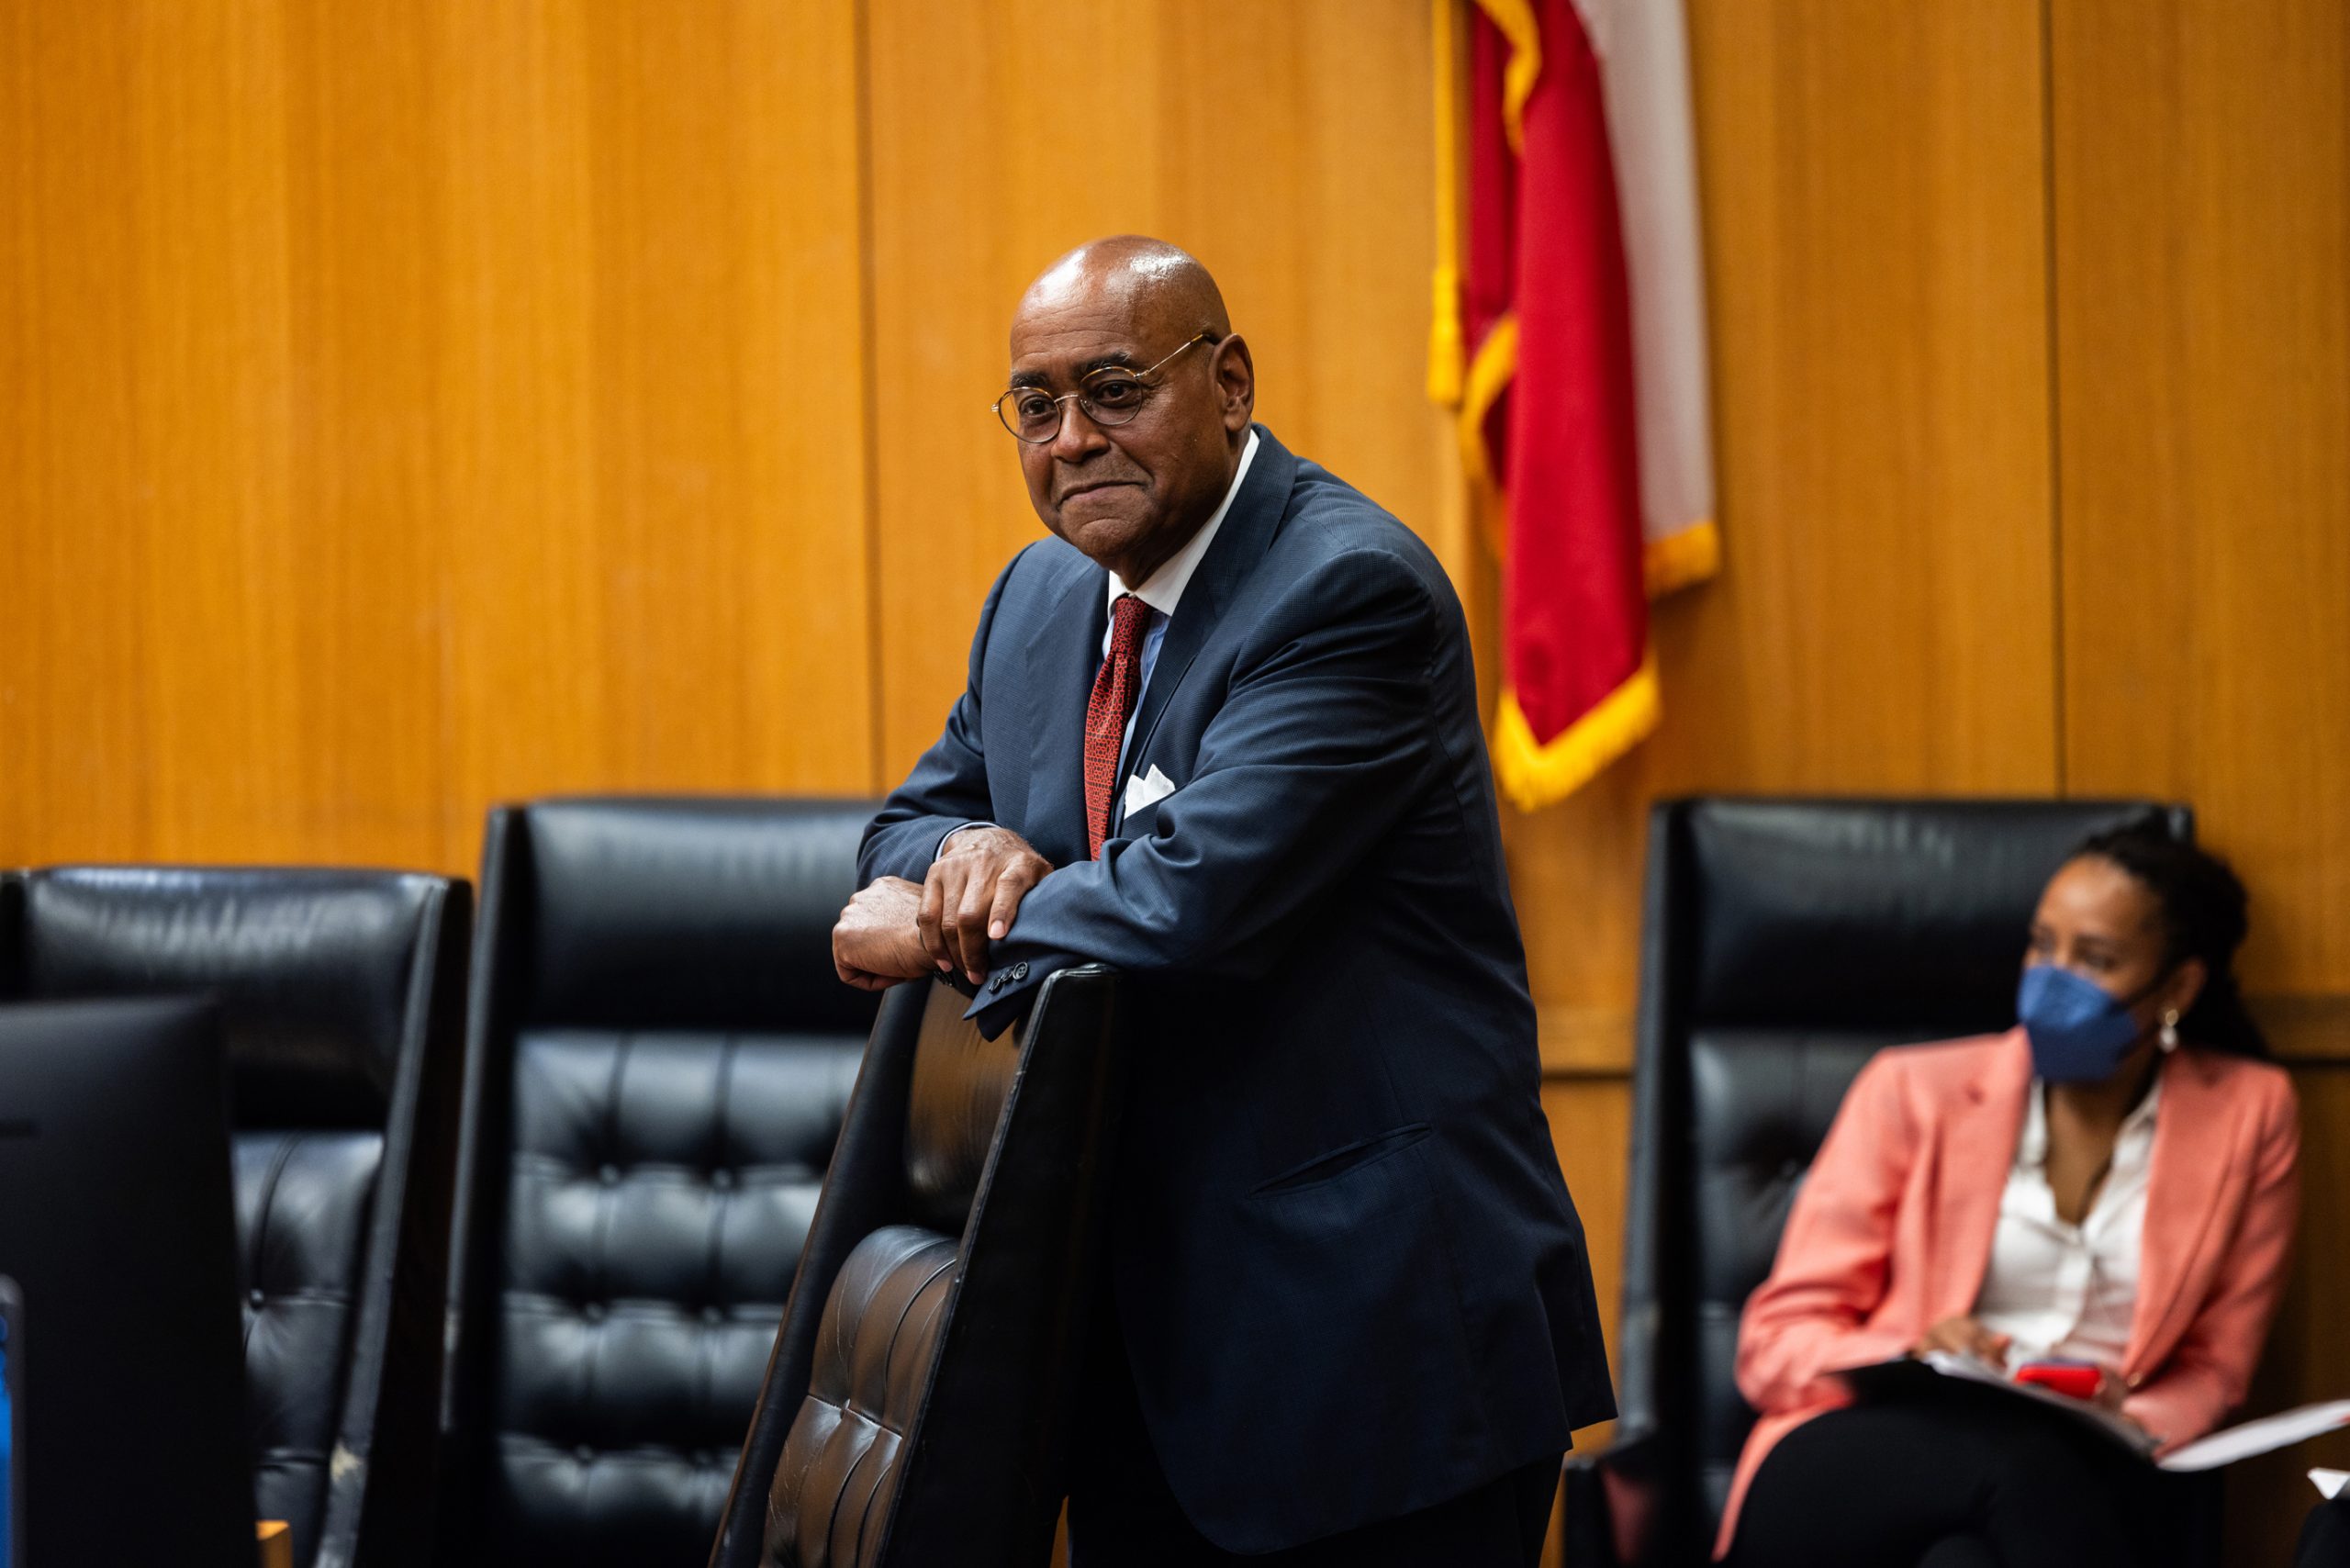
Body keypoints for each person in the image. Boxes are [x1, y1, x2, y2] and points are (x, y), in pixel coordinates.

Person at [828, 236, 1613, 1565]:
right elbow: (907, 826)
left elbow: (1186, 903)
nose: (1073, 438)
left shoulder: (1346, 592)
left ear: (1232, 381)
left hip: (1374, 1353)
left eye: (1118, 389)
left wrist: (947, 917)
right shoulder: (1039, 598)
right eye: (1037, 403)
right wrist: (970, 847)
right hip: (1141, 1351)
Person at [1720, 826, 2300, 1568]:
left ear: (2178, 989)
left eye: (2095, 959)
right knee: (2020, 1467)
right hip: (1867, 1448)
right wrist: (1912, 1352)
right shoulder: (1910, 1090)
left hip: (2087, 1473)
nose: (2052, 979)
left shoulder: (2251, 1114)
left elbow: (2218, 1367)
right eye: (2041, 945)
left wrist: (2129, 1417)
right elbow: (1774, 1342)